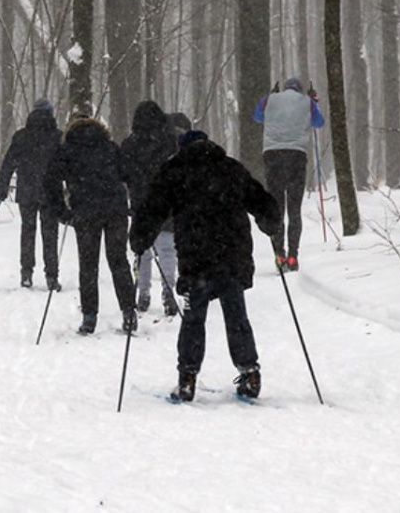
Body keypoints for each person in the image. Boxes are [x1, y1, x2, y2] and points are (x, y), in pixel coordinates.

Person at [130, 130, 281, 402]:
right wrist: (269, 221)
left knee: (193, 319)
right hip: (231, 254)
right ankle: (249, 372)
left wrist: (141, 237)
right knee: (236, 315)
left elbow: (153, 208)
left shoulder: (175, 171)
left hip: (197, 257)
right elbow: (259, 199)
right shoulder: (230, 167)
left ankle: (187, 378)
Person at [45, 115, 138, 335]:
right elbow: (129, 175)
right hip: (115, 209)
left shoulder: (67, 150)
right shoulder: (110, 147)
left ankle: (89, 317)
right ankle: (128, 312)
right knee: (118, 260)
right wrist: (134, 204)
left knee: (88, 264)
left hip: (85, 211)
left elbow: (50, 180)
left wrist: (62, 212)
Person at [253, 77, 325, 271]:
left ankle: (279, 254)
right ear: (300, 90)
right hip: (296, 157)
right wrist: (314, 103)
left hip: (273, 156)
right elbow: (319, 123)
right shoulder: (307, 102)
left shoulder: (269, 99)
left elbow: (258, 117)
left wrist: (270, 96)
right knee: (294, 210)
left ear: (283, 89)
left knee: (277, 208)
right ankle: (293, 256)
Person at [119, 101, 179, 315]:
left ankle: (143, 294)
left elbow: (123, 173)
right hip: (166, 202)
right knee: (167, 249)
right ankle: (169, 291)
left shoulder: (129, 144)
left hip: (141, 203)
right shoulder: (170, 142)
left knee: (142, 250)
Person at [0, 99, 63, 291]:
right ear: (50, 114)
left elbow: (9, 162)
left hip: (26, 191)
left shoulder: (21, 136)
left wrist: (2, 186)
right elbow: (66, 165)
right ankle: (52, 276)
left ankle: (26, 274)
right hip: (51, 193)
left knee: (28, 232)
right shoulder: (58, 136)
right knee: (50, 234)